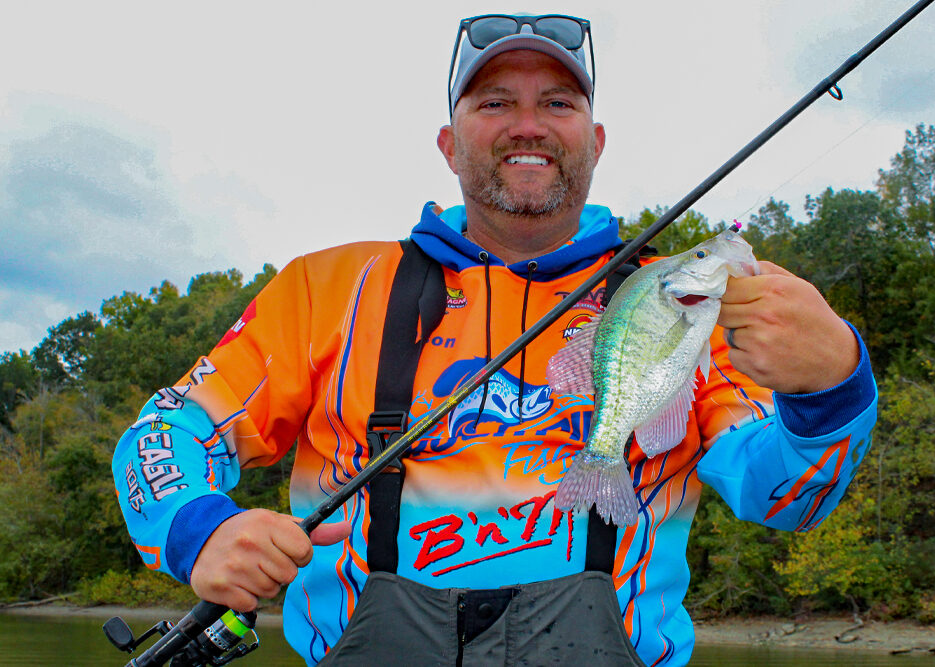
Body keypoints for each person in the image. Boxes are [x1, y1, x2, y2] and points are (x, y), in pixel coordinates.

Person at [113, 13, 876, 666]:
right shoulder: (325, 291)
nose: (528, 123)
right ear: (449, 142)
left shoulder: (684, 309)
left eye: (558, 100)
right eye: (494, 101)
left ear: (596, 138)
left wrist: (830, 386)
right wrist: (198, 528)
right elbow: (168, 428)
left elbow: (788, 496)